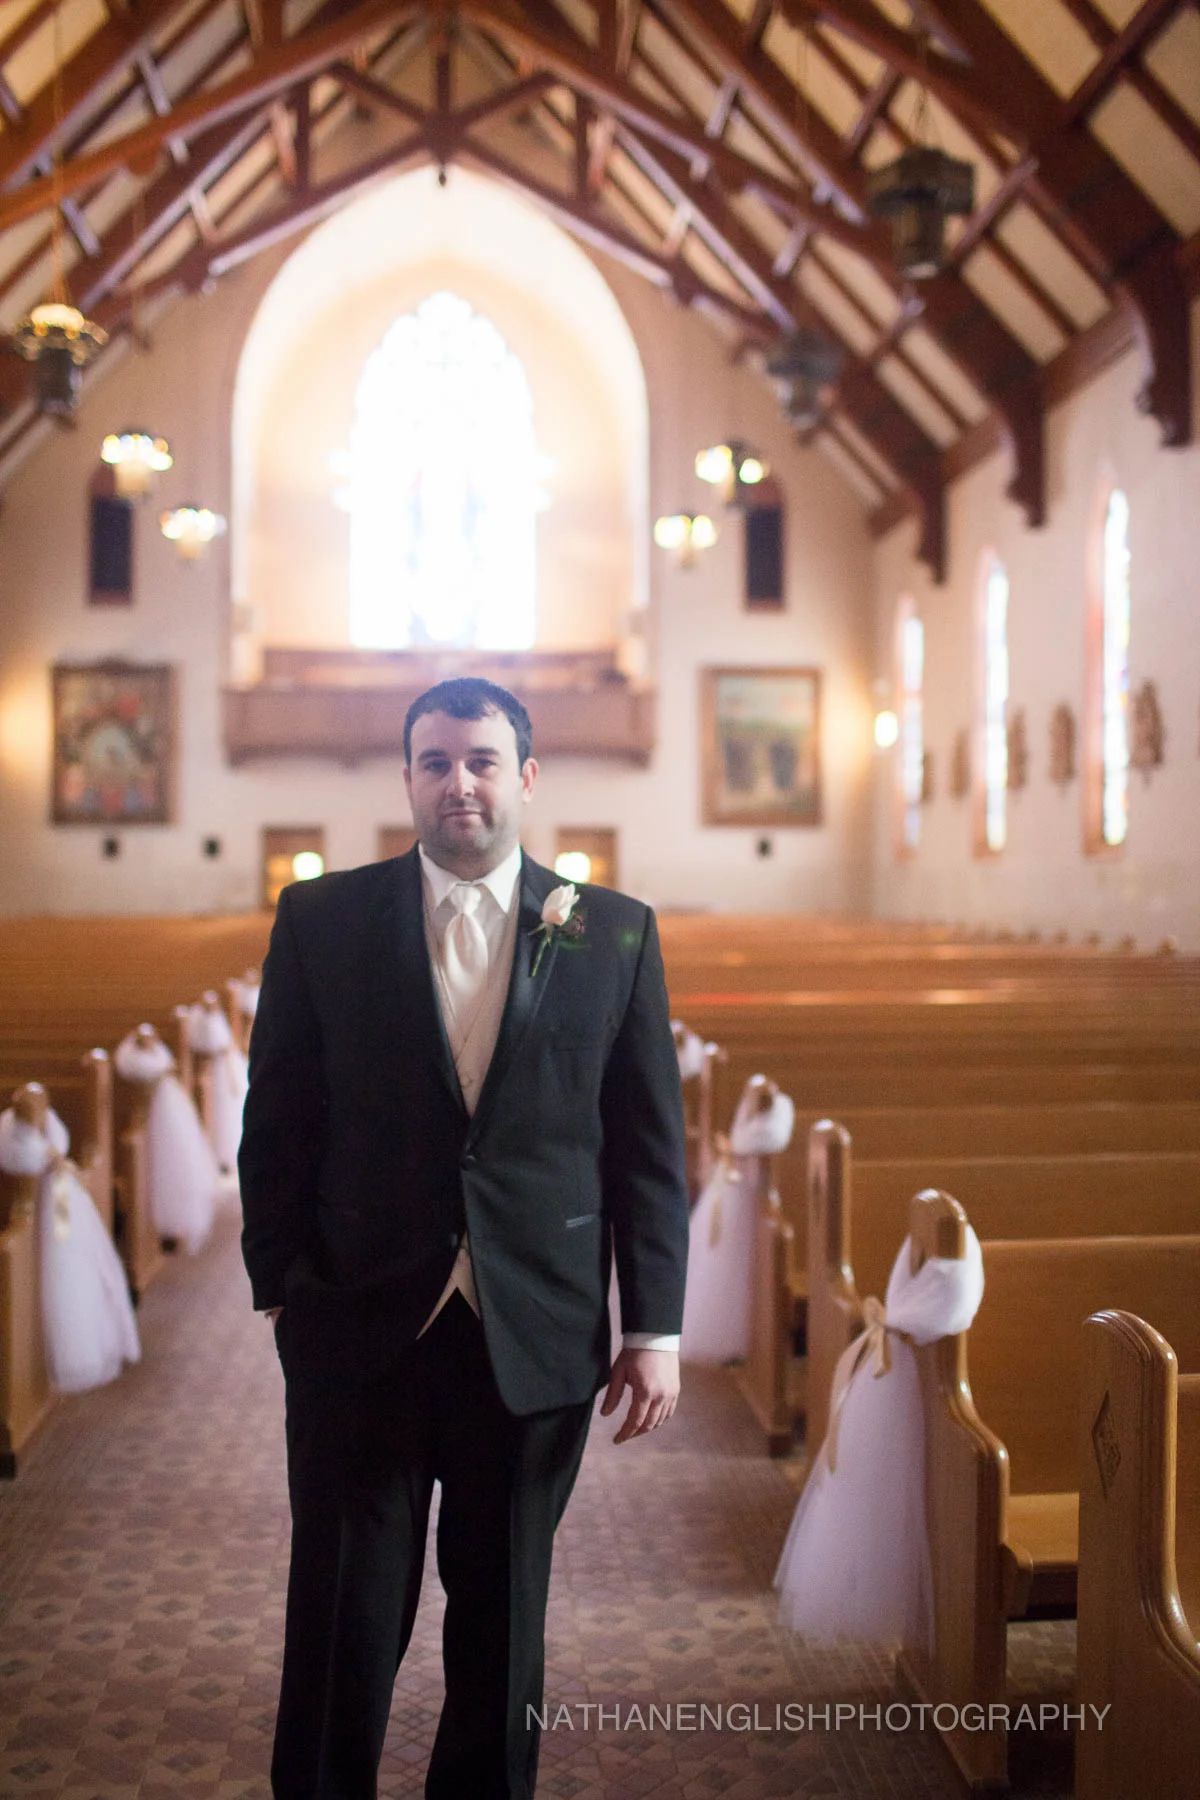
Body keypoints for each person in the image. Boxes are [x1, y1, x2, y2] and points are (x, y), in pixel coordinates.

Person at [240, 676, 690, 1800]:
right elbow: (278, 1115)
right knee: (343, 1620)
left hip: (533, 1327)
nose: (460, 783)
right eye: (436, 761)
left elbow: (646, 1148)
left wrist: (655, 1330)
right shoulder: (322, 921)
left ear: (525, 777)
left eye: (483, 760)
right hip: (358, 1324)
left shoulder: (613, 933)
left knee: (503, 1624)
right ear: (407, 777)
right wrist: (281, 1287)